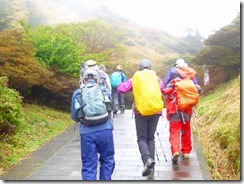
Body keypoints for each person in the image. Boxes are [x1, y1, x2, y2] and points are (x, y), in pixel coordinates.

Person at [117, 59, 164, 177]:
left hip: (140, 112)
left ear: (140, 68)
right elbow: (163, 89)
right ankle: (151, 167)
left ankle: (147, 160)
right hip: (155, 110)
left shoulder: (135, 78)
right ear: (150, 67)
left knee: (142, 138)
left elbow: (121, 89)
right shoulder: (156, 78)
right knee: (151, 138)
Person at [73, 69, 115, 180]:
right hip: (105, 129)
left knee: (89, 164)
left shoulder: (78, 93)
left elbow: (74, 115)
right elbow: (110, 109)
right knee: (107, 159)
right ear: (97, 80)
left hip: (87, 132)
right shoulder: (104, 90)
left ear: (83, 80)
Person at [162, 58, 201, 163]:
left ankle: (175, 151)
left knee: (175, 131)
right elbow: (198, 89)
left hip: (174, 111)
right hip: (187, 110)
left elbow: (165, 90)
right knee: (186, 131)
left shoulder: (173, 81)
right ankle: (186, 152)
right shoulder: (190, 81)